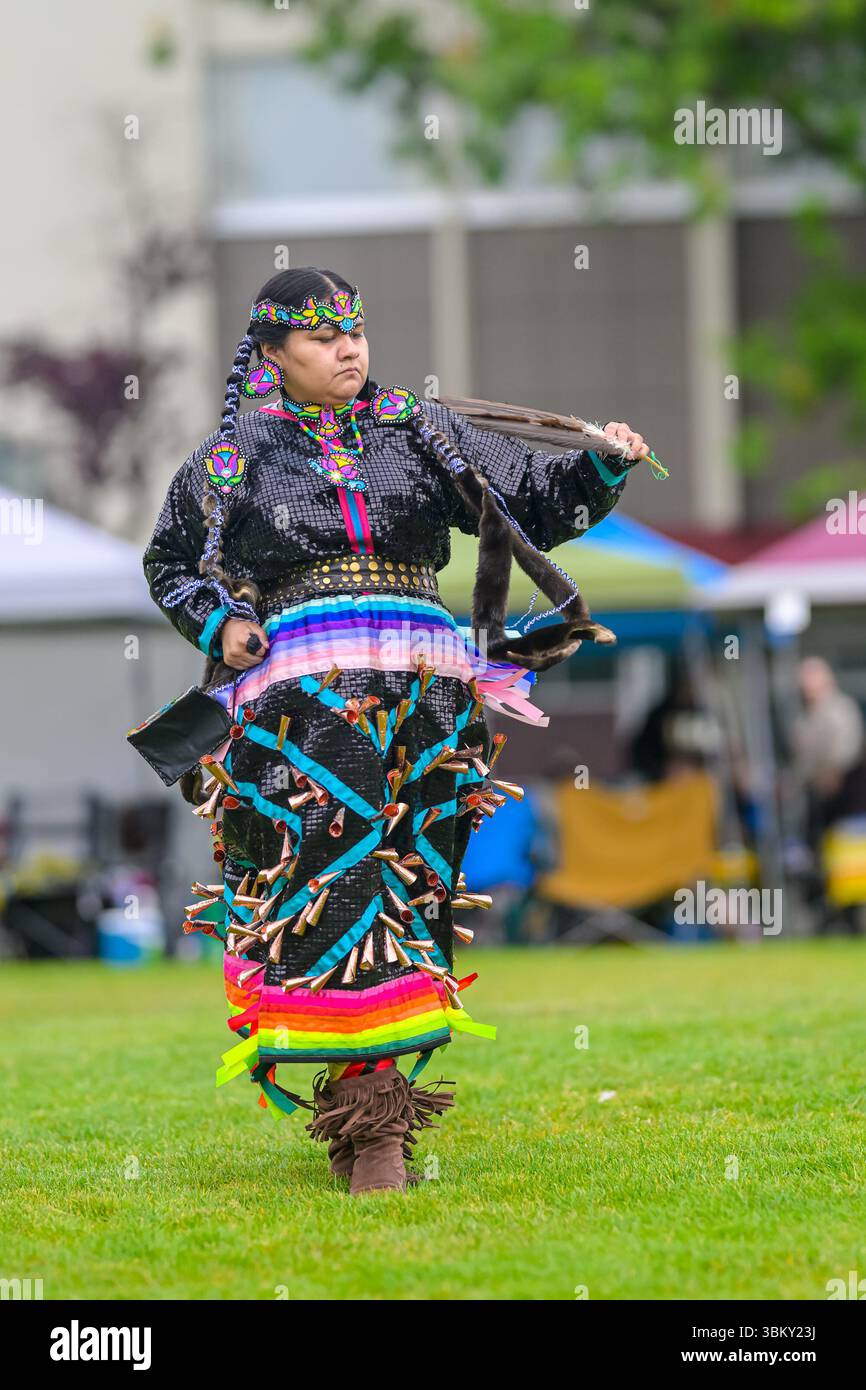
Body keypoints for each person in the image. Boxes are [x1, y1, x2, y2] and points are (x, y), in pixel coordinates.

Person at [141, 266, 650, 1194]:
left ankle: (368, 1105)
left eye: (356, 331)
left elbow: (527, 501)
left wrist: (600, 464)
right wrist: (221, 623)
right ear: (272, 353)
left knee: (408, 889)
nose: (347, 348)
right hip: (308, 707)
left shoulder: (418, 429)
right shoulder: (234, 454)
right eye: (321, 336)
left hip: (427, 696)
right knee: (342, 880)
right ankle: (372, 1135)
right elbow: (171, 560)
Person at [792, 656, 866, 934]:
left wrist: (832, 772)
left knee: (850, 861)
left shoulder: (840, 709)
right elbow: (802, 760)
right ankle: (830, 917)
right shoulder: (804, 717)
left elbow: (846, 749)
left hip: (848, 801)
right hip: (819, 802)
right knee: (817, 858)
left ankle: (851, 917)